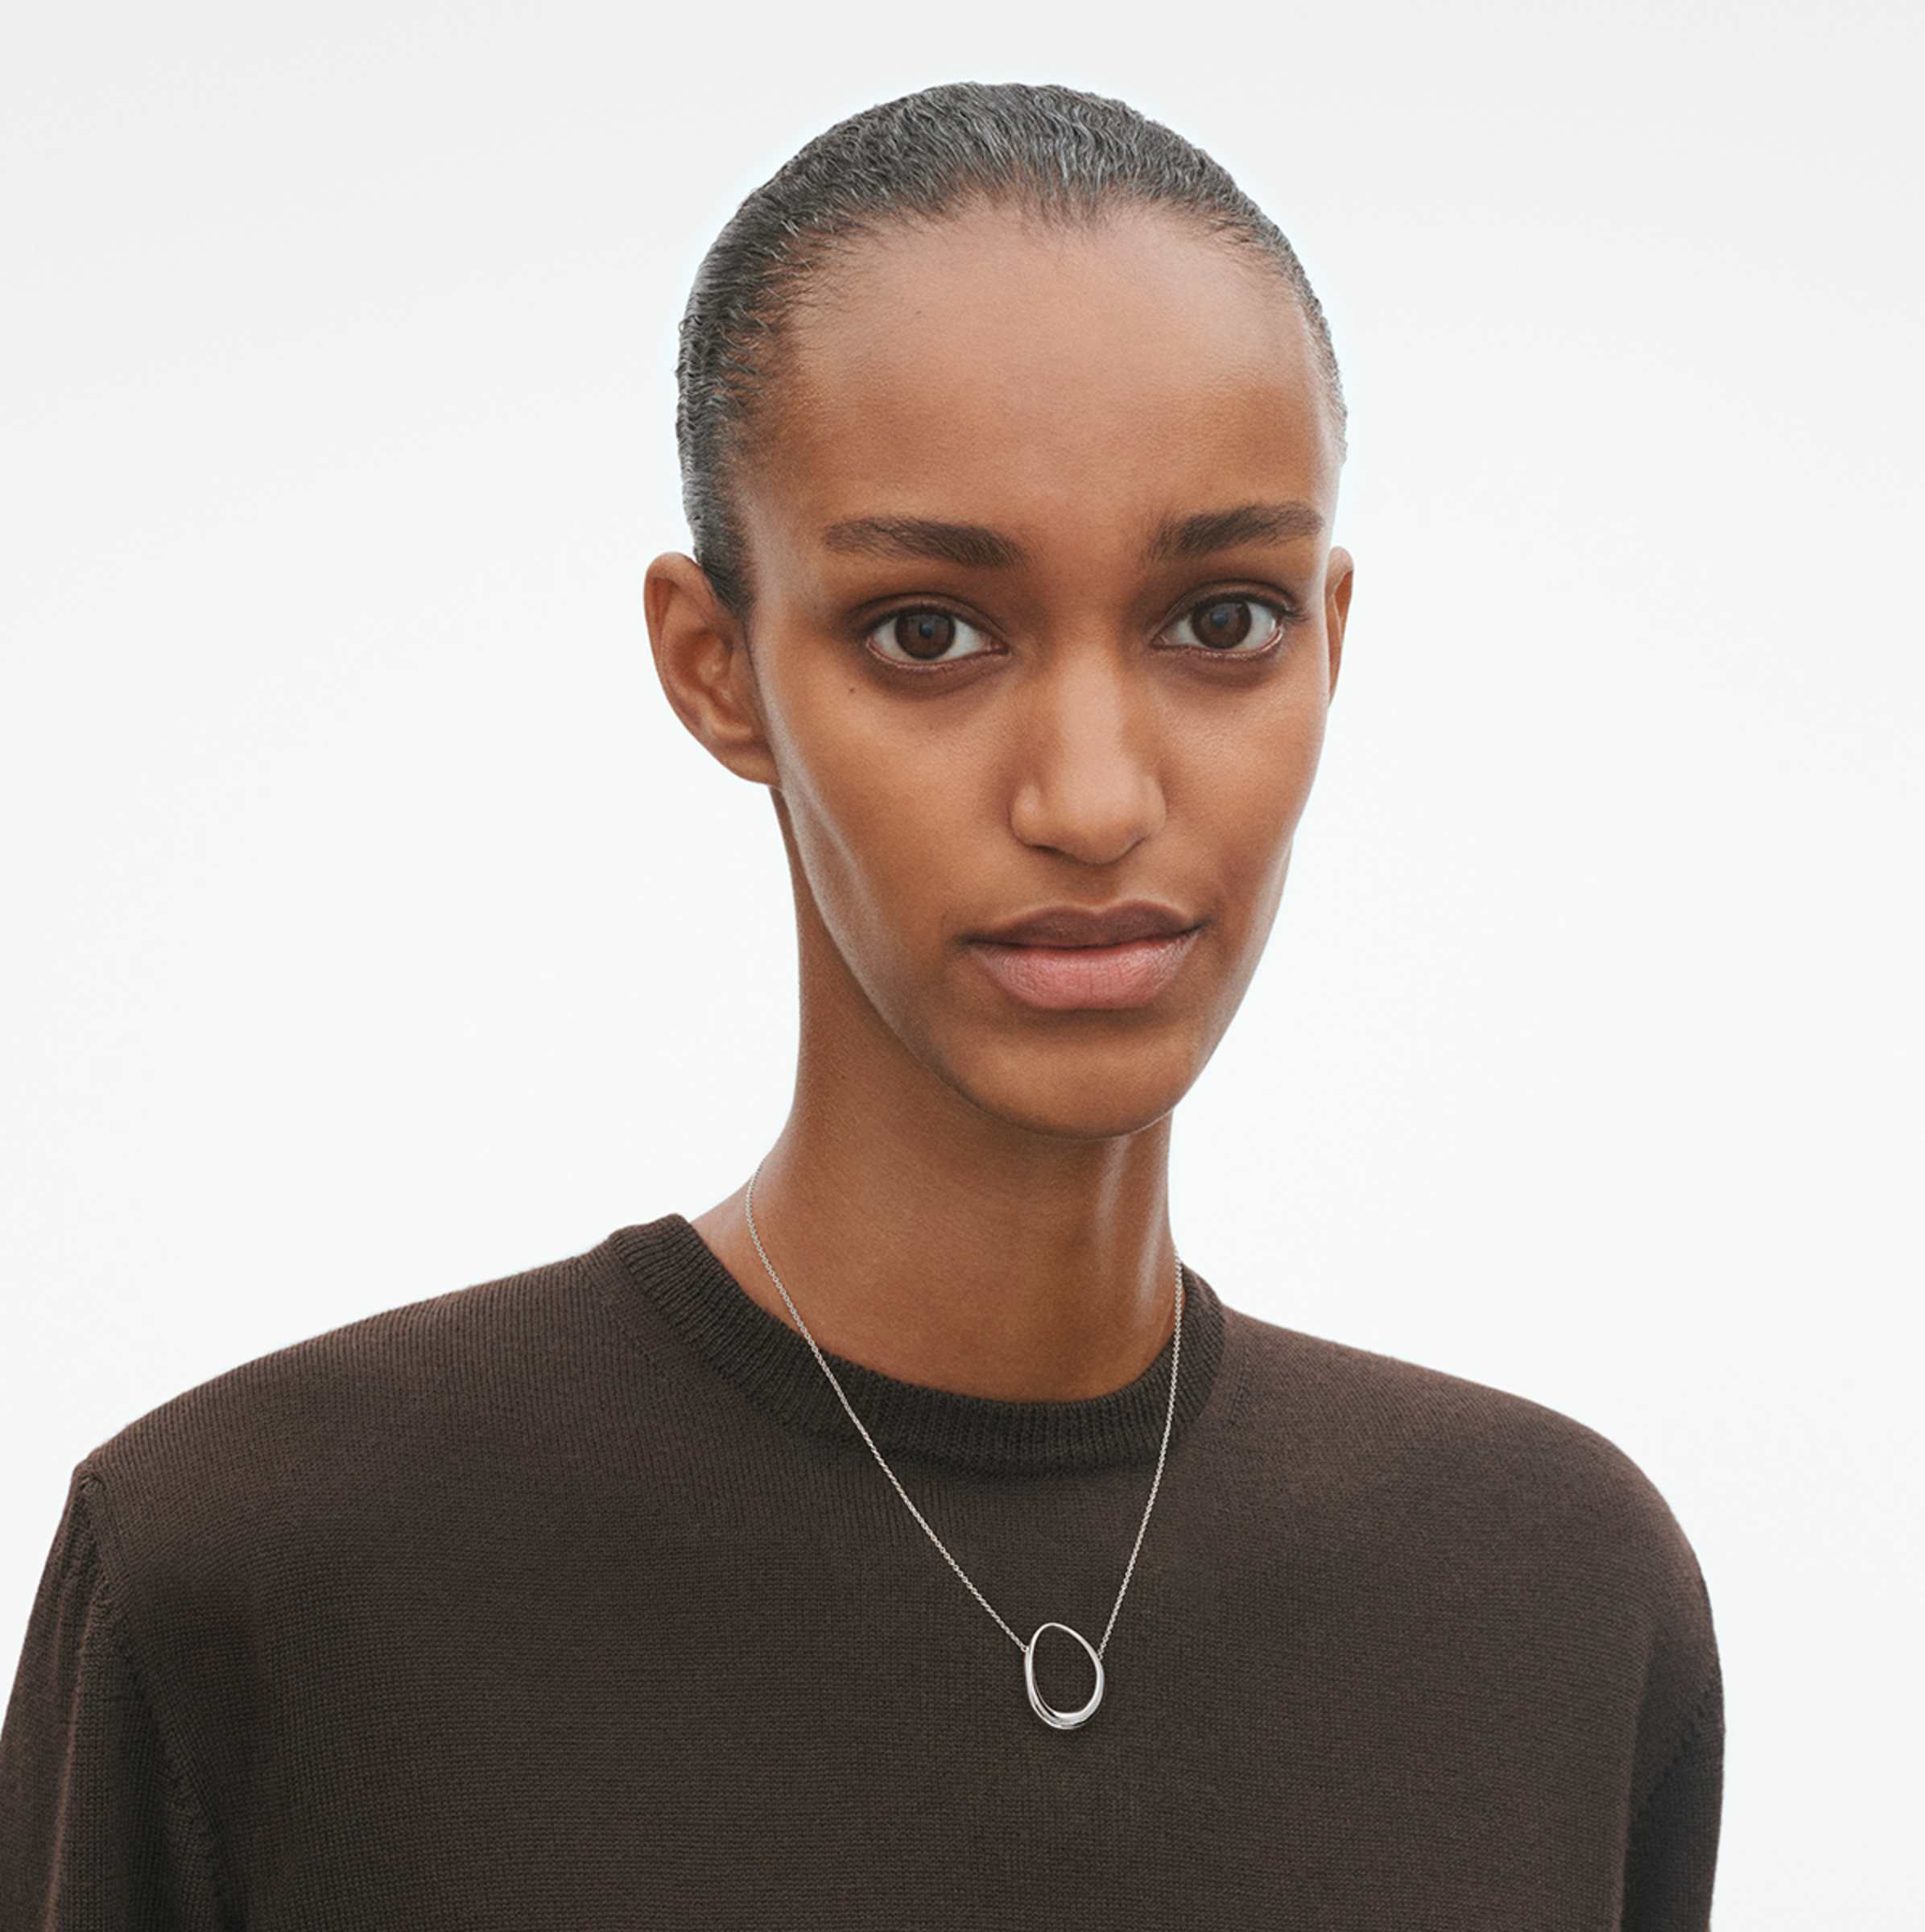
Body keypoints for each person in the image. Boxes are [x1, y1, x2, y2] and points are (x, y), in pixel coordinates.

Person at [0, 80, 1722, 1928]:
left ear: (1332, 639)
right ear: (717, 667)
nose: (1093, 799)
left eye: (1222, 620)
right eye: (928, 632)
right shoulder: (252, 1580)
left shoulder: (1553, 1601)